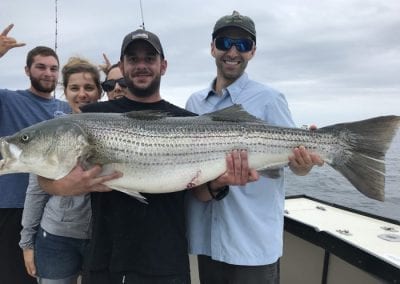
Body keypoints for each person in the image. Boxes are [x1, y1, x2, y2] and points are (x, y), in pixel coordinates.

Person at [38, 29, 195, 284]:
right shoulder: (91, 115)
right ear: (122, 66)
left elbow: (204, 189)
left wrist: (221, 184)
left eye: (149, 59)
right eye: (133, 59)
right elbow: (45, 175)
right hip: (106, 259)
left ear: (163, 66)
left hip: (166, 260)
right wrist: (62, 187)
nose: (141, 65)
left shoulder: (188, 121)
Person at [185, 11, 323, 284]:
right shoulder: (194, 104)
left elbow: (293, 163)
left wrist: (304, 165)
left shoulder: (269, 99)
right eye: (225, 43)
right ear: (212, 47)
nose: (233, 51)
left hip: (251, 245)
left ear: (253, 51)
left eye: (243, 45)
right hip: (208, 243)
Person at [20, 57, 102, 284]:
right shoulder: (50, 135)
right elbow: (35, 191)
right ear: (65, 92)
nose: (82, 94)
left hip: (103, 236)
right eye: (74, 88)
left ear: (99, 92)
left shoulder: (115, 128)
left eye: (89, 87)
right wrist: (27, 242)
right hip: (56, 236)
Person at [0, 24, 71, 284]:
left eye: (53, 68)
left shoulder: (66, 107)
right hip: (12, 205)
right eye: (40, 66)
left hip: (56, 209)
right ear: (27, 70)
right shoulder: (7, 99)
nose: (48, 73)